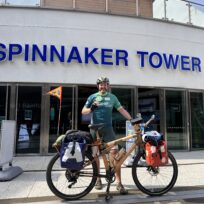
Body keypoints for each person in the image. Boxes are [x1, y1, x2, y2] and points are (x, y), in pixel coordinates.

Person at [81, 77, 132, 195]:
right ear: (97, 86)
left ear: (108, 85)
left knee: (115, 154)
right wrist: (91, 109)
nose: (102, 86)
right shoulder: (92, 97)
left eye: (105, 84)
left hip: (108, 129)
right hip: (95, 129)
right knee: (95, 155)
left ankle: (119, 183)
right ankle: (97, 179)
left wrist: (131, 119)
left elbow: (121, 110)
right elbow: (83, 111)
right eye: (100, 85)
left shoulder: (112, 97)